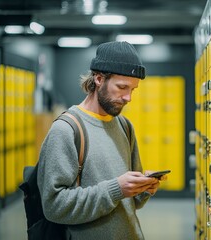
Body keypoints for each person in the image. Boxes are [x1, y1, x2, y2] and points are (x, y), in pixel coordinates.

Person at [37, 41, 165, 240]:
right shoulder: (66, 130)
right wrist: (116, 189)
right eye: (122, 87)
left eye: (133, 89)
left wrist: (143, 187)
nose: (128, 98)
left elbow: (130, 201)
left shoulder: (124, 125)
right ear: (98, 79)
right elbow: (54, 206)